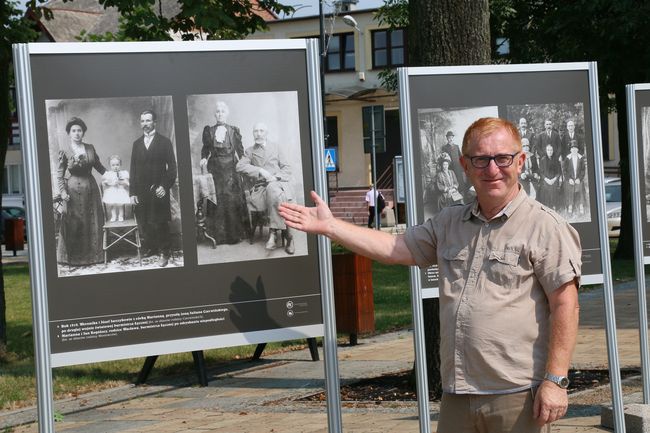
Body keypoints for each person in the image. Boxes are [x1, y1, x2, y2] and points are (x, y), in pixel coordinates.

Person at [279, 117, 580, 433]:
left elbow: (566, 306)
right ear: (465, 166)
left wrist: (556, 380)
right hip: (458, 396)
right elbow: (395, 248)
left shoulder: (547, 228)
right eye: (481, 159)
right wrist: (331, 227)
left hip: (517, 396)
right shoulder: (449, 223)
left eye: (502, 158)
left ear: (520, 161)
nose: (492, 169)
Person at [236, 122, 295, 255]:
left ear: (266, 133)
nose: (258, 133)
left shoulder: (276, 147)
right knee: (276, 194)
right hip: (262, 189)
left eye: (262, 131)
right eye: (256, 131)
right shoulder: (250, 151)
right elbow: (239, 166)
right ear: (253, 134)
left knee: (274, 189)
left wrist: (276, 177)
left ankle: (273, 233)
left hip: (278, 183)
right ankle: (288, 235)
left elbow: (287, 168)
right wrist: (260, 170)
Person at [130, 110, 178, 267]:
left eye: (148, 121)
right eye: (142, 121)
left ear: (154, 122)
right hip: (141, 190)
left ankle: (165, 252)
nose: (145, 124)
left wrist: (164, 186)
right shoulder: (136, 144)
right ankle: (151, 247)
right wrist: (132, 193)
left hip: (158, 188)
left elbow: (172, 168)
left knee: (160, 221)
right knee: (145, 221)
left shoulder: (164, 142)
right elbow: (133, 170)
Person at [56, 117, 106, 266]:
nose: (77, 133)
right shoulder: (65, 151)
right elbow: (60, 174)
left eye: (79, 130)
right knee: (76, 222)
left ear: (83, 132)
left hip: (90, 187)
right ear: (69, 133)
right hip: (72, 189)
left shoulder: (90, 147)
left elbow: (99, 167)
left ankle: (94, 257)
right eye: (74, 131)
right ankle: (76, 258)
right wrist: (63, 192)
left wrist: (114, 175)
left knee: (93, 220)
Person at [199, 101, 250, 245]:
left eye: (222, 111)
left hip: (231, 170)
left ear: (227, 113)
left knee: (231, 199)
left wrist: (244, 165)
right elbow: (206, 149)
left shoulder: (234, 130)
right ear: (214, 114)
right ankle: (219, 236)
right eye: (217, 111)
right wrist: (203, 158)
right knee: (217, 200)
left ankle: (234, 235)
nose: (220, 113)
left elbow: (240, 151)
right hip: (215, 170)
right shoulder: (209, 131)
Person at [102, 155, 130, 222]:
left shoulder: (123, 173)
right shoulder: (108, 174)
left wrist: (121, 181)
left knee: (120, 204)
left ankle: (121, 216)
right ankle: (113, 216)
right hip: (112, 191)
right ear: (110, 166)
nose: (115, 167)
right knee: (112, 205)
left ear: (120, 165)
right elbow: (104, 183)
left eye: (117, 165)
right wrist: (108, 182)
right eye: (113, 165)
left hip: (120, 190)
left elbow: (127, 183)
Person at [563, 141, 586, 215]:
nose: (574, 150)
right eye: (572, 148)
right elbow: (564, 170)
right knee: (570, 188)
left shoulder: (580, 158)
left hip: (578, 178)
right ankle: (570, 205)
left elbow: (583, 170)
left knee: (580, 188)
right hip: (570, 179)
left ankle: (581, 205)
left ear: (577, 149)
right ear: (570, 150)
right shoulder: (567, 158)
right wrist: (569, 179)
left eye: (575, 148)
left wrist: (579, 178)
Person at [440, 130, 467, 194]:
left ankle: (462, 193)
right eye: (449, 137)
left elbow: (460, 157)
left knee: (460, 180)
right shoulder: (444, 147)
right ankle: (454, 193)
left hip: (458, 166)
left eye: (451, 137)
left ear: (452, 138)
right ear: (447, 138)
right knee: (453, 180)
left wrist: (463, 166)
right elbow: (444, 158)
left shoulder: (456, 146)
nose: (450, 139)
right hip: (451, 167)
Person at [538, 143, 562, 210]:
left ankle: (554, 205)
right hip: (546, 180)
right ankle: (547, 206)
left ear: (553, 150)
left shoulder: (556, 160)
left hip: (554, 179)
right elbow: (541, 173)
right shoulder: (542, 160)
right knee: (545, 187)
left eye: (551, 150)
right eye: (548, 150)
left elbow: (559, 172)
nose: (550, 152)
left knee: (553, 187)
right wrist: (547, 179)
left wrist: (554, 179)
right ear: (546, 151)